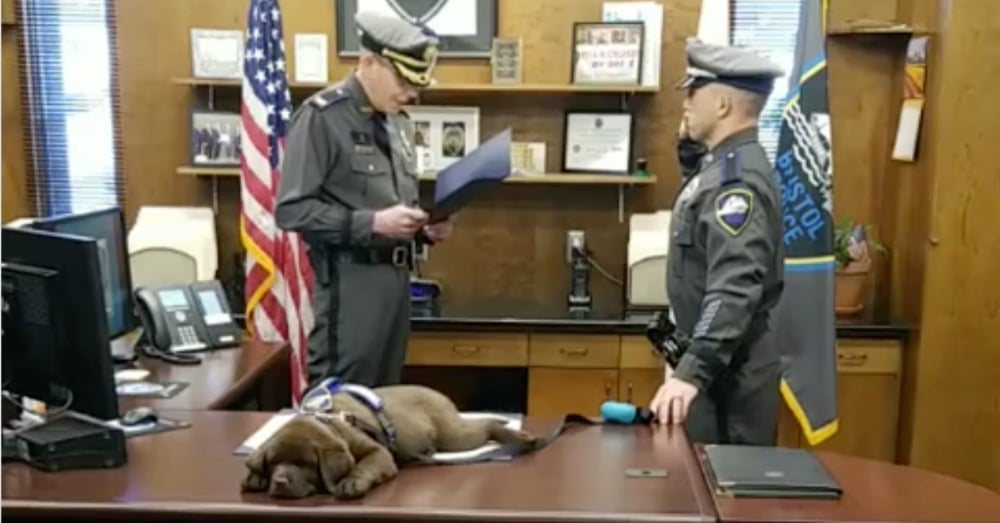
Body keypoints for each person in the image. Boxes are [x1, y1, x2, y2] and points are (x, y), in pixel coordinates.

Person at [275, 12, 454, 390]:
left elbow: (391, 203)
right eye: (404, 80)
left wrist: (424, 230)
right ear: (368, 63)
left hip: (396, 283)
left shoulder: (398, 123)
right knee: (343, 400)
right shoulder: (322, 117)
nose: (412, 93)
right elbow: (291, 210)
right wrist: (372, 223)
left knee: (384, 402)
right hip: (349, 284)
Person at [649, 38, 786, 445]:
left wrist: (693, 371)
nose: (685, 102)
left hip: (730, 381)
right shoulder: (723, 166)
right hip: (717, 369)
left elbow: (734, 285)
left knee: (726, 501)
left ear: (723, 106)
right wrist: (689, 148)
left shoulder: (737, 183)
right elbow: (702, 216)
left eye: (694, 92)